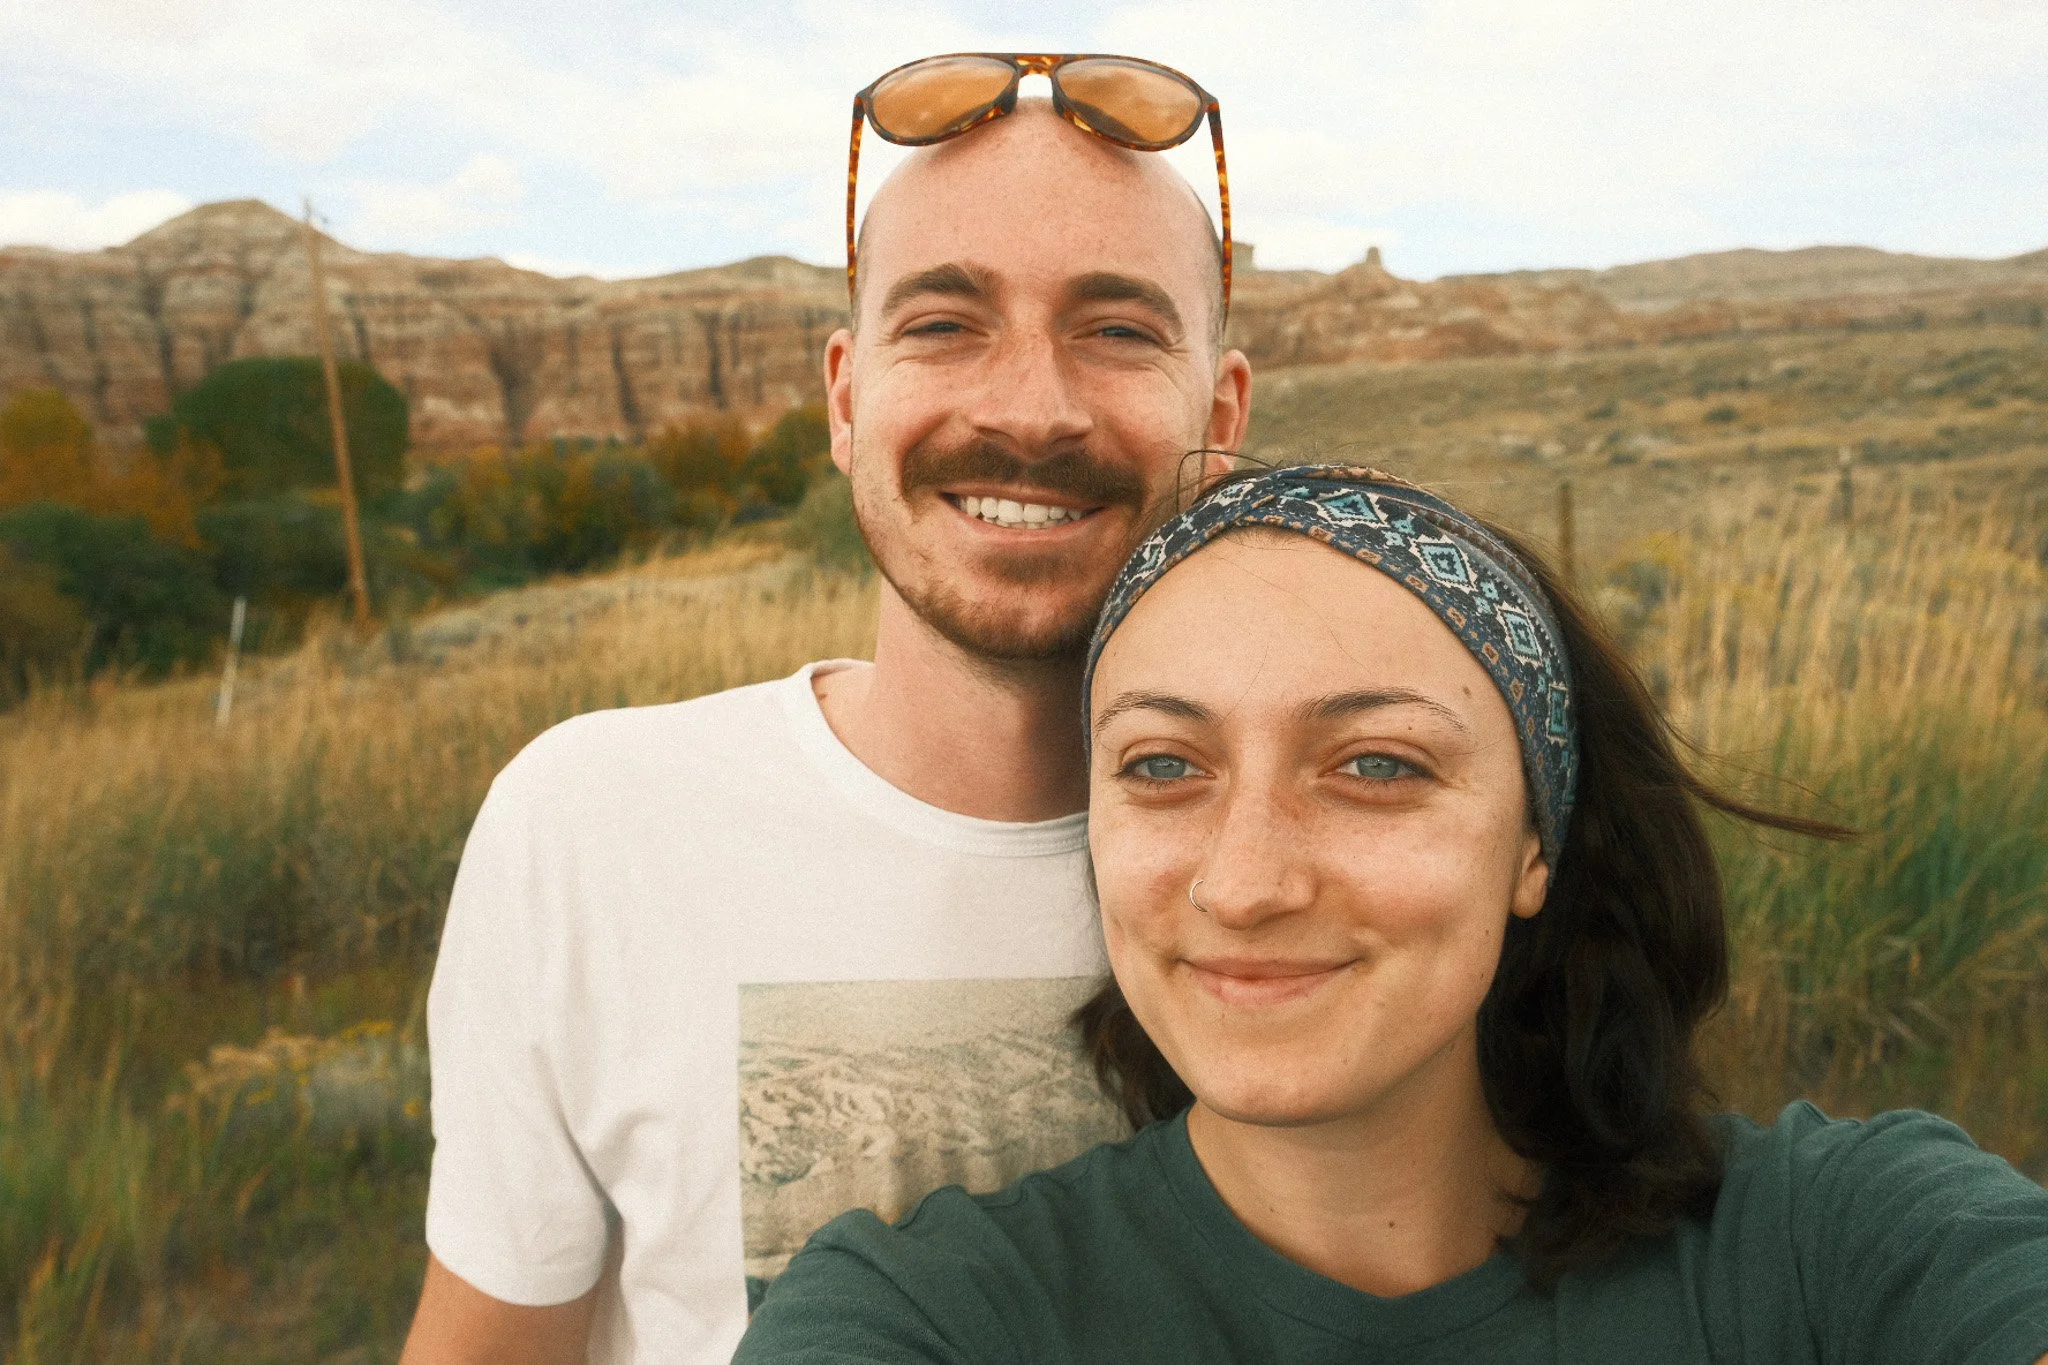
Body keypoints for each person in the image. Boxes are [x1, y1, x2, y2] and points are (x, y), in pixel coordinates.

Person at [737, 464, 2048, 1363]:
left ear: (1536, 840)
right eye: (1161, 768)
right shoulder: (933, 1315)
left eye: (1376, 767)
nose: (1246, 883)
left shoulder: (1850, 1249)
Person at [398, 55, 1252, 1365]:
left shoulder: (1339, 864)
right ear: (847, 400)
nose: (1029, 406)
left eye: (1120, 330)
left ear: (1222, 413)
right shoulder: (590, 826)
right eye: (946, 323)